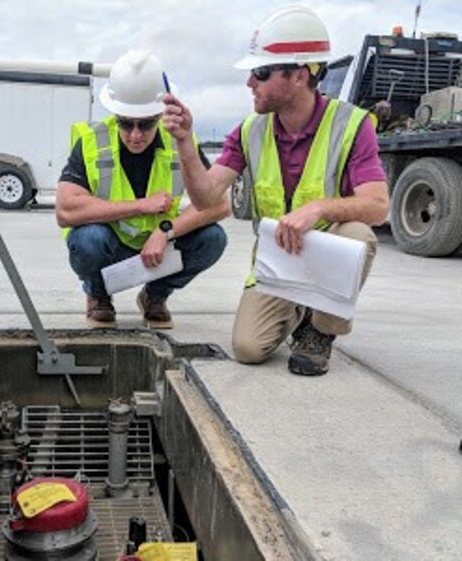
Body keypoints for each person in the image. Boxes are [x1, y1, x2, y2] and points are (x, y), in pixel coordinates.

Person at [162, 6, 389, 375]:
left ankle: (319, 330)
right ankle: (297, 310)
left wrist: (318, 209)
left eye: (261, 73)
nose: (250, 83)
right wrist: (185, 142)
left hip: (325, 253)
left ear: (300, 76)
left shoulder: (351, 125)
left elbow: (378, 206)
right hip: (278, 259)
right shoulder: (250, 130)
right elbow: (205, 198)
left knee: (359, 236)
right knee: (248, 348)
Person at [56, 49, 229, 329]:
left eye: (146, 124)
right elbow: (65, 210)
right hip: (110, 245)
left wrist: (166, 231)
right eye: (126, 122)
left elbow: (219, 204)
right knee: (86, 240)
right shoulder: (92, 141)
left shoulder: (180, 141)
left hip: (158, 248)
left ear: (159, 114)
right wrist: (141, 205)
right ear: (115, 112)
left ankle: (154, 297)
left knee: (213, 238)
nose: (135, 134)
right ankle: (98, 296)